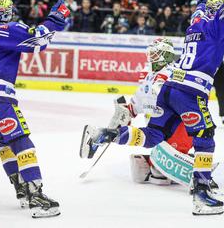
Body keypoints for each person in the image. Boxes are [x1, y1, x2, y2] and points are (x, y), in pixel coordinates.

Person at [81, 0, 224, 215]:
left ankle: (105, 134)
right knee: (205, 137)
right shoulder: (218, 24)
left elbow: (200, 9)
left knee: (154, 135)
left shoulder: (196, 23)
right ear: (218, 10)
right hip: (191, 91)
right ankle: (201, 193)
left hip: (170, 88)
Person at [0, 0, 70, 218]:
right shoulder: (8, 29)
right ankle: (36, 196)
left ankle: (21, 190)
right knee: (21, 140)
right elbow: (39, 39)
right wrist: (56, 19)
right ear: (9, 12)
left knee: (5, 142)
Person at [81, 38, 198, 187]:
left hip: (179, 128)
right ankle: (106, 135)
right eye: (152, 52)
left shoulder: (175, 73)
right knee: (139, 173)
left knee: (159, 176)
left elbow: (186, 99)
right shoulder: (149, 77)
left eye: (156, 53)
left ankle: (188, 160)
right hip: (157, 127)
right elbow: (134, 106)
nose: (152, 56)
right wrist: (125, 115)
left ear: (166, 55)